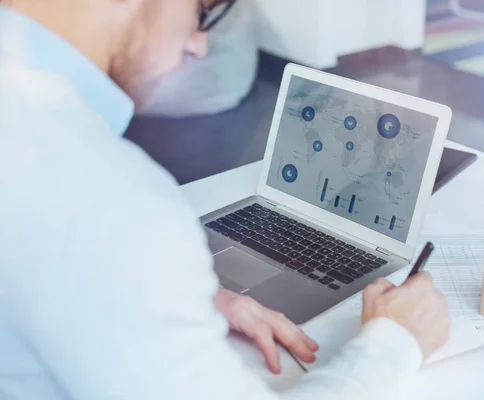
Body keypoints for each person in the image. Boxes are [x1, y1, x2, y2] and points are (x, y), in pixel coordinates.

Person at [0, 0, 450, 399]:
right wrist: (393, 343)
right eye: (201, 10)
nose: (198, 45)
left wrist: (174, 297)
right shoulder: (110, 204)